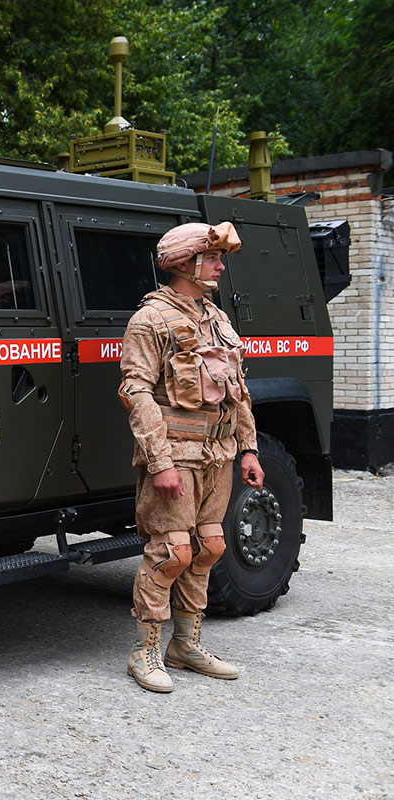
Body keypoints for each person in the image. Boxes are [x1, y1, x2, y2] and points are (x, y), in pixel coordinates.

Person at [117, 221, 265, 693]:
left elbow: (236, 392)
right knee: (171, 552)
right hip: (176, 454)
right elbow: (135, 389)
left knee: (209, 548)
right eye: (214, 258)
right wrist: (159, 461)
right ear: (186, 263)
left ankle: (185, 645)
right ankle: (145, 652)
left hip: (217, 454)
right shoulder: (151, 320)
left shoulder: (217, 318)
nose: (221, 266)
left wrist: (248, 449)